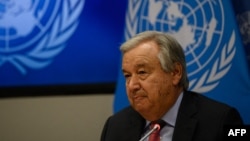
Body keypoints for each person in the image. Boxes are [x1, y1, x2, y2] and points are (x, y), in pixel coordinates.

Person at [100, 31, 244, 141]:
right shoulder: (115, 126)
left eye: (142, 72)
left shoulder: (221, 120)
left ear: (175, 73)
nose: (132, 86)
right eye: (127, 76)